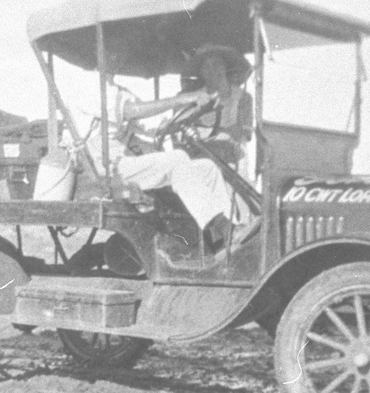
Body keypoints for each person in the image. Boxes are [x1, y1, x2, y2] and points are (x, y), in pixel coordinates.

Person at [77, 44, 258, 251]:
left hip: (123, 162)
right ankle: (225, 230)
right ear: (97, 53)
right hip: (103, 167)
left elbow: (150, 126)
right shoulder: (87, 85)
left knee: (206, 167)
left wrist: (187, 116)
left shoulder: (119, 91)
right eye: (111, 50)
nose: (117, 56)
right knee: (177, 158)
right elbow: (130, 112)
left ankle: (224, 239)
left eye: (120, 51)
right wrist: (184, 98)